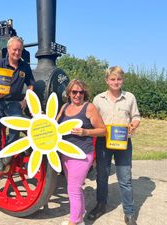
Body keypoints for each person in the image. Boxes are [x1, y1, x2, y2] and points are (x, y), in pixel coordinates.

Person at [87, 66, 141, 225]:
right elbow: (92, 119)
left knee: (125, 178)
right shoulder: (98, 99)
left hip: (123, 142)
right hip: (103, 142)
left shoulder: (130, 97)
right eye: (112, 79)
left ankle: (129, 213)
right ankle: (101, 205)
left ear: (122, 80)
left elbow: (136, 116)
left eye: (118, 79)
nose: (116, 82)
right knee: (102, 175)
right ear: (107, 81)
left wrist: (133, 125)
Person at [56, 79, 106, 225]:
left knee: (73, 188)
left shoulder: (89, 107)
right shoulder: (64, 107)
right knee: (75, 187)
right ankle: (80, 214)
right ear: (69, 93)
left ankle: (75, 221)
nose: (78, 95)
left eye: (81, 92)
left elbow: (103, 130)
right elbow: (55, 125)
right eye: (74, 92)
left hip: (83, 154)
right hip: (66, 153)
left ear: (85, 93)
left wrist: (85, 132)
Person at [0, 36, 35, 172]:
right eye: (14, 50)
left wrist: (26, 100)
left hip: (13, 102)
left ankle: (7, 153)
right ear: (8, 49)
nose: (17, 53)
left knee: (17, 125)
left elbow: (31, 84)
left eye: (19, 50)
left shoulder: (25, 67)